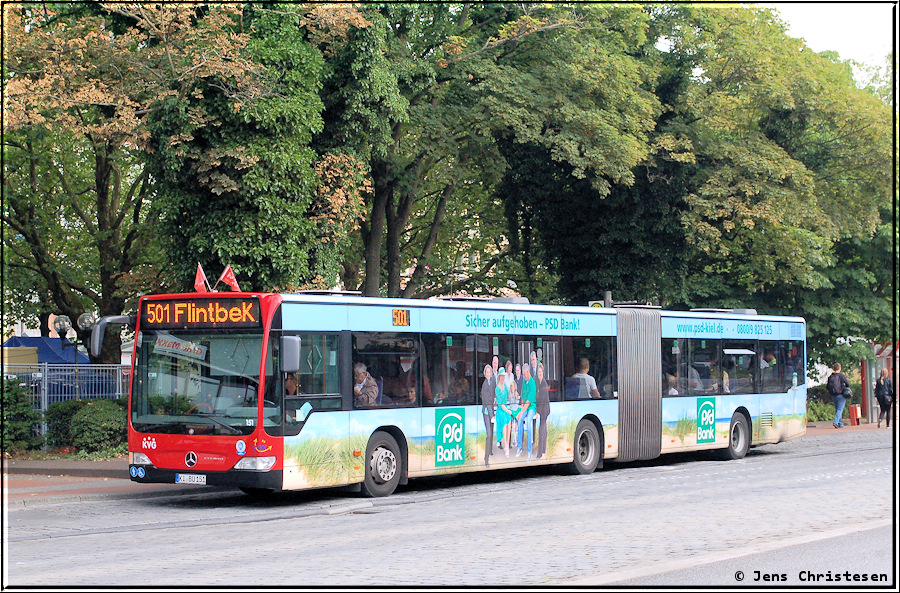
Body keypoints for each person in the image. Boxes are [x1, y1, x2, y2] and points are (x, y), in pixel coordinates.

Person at [516, 364, 536, 460]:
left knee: (528, 422)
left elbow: (528, 402)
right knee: (520, 421)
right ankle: (519, 447)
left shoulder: (532, 383)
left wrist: (521, 411)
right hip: (524, 407)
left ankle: (529, 451)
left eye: (524, 374)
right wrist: (521, 409)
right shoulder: (524, 381)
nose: (523, 375)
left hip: (531, 407)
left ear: (527, 372)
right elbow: (523, 397)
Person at [495, 368, 513, 458]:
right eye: (502, 376)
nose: (503, 378)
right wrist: (508, 411)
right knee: (505, 420)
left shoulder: (505, 386)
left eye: (504, 376)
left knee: (509, 421)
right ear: (499, 377)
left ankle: (507, 443)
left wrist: (510, 390)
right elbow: (501, 404)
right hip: (500, 409)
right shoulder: (497, 388)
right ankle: (506, 446)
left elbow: (508, 397)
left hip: (505, 408)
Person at [826, 363, 850, 428]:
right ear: (840, 368)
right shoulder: (841, 376)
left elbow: (827, 386)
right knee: (840, 409)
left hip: (833, 395)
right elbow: (848, 384)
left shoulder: (831, 376)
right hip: (841, 394)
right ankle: (835, 422)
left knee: (837, 409)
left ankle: (840, 424)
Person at [535, 363, 551, 459]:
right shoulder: (539, 382)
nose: (539, 373)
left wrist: (538, 412)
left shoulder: (543, 383)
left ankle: (540, 452)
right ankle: (543, 449)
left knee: (541, 430)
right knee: (543, 429)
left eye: (541, 372)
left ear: (543, 372)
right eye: (538, 372)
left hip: (544, 410)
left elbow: (542, 399)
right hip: (543, 409)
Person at [480, 365, 495, 466]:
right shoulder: (484, 385)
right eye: (487, 372)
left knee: (491, 434)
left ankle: (490, 452)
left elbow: (494, 396)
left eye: (490, 372)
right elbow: (486, 401)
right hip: (487, 413)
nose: (488, 374)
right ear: (485, 374)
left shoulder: (492, 382)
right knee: (489, 434)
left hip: (492, 411)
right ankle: (486, 459)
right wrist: (491, 415)